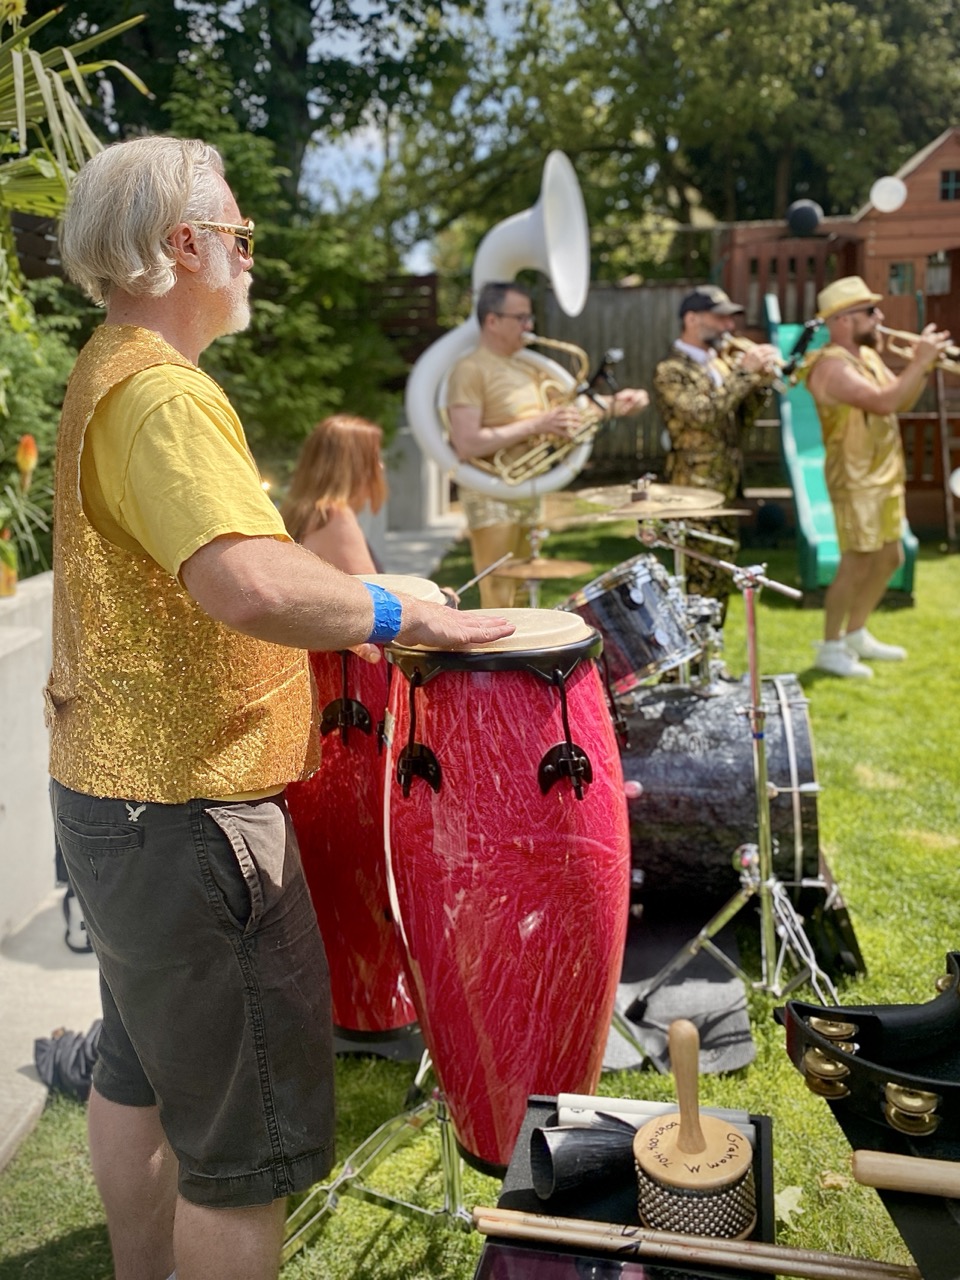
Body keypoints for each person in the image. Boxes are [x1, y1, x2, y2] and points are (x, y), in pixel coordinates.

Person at [45, 135, 513, 1280]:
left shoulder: (110, 363)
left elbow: (231, 556)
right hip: (192, 816)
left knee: (137, 1070)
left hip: (119, 803)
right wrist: (404, 617)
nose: (250, 259)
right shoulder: (161, 394)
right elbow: (245, 580)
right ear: (184, 244)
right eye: (242, 237)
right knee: (241, 1158)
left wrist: (370, 590)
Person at [445, 280, 650, 608]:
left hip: (529, 489)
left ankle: (521, 659)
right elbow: (467, 443)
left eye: (530, 318)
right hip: (491, 493)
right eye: (521, 318)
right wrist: (538, 424)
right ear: (492, 321)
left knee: (526, 590)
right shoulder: (470, 369)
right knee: (499, 593)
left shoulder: (530, 368)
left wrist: (617, 405)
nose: (529, 326)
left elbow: (572, 414)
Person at [802, 276, 952, 678]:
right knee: (857, 560)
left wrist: (923, 367)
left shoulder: (866, 357)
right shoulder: (831, 367)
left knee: (891, 557)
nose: (880, 318)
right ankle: (830, 647)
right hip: (855, 480)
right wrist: (920, 361)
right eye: (871, 311)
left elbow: (898, 401)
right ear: (844, 320)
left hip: (883, 476)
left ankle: (856, 633)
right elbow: (884, 401)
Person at [653, 284, 781, 616]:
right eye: (719, 318)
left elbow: (738, 421)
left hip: (725, 486)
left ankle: (713, 660)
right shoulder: (671, 371)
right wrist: (744, 373)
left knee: (723, 577)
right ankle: (690, 666)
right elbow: (704, 415)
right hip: (693, 490)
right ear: (692, 319)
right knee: (697, 579)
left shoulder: (721, 364)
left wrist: (760, 384)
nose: (728, 327)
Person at [280, 413, 386, 573]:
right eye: (374, 458)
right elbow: (372, 594)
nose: (381, 467)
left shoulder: (302, 512)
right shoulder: (334, 516)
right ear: (355, 465)